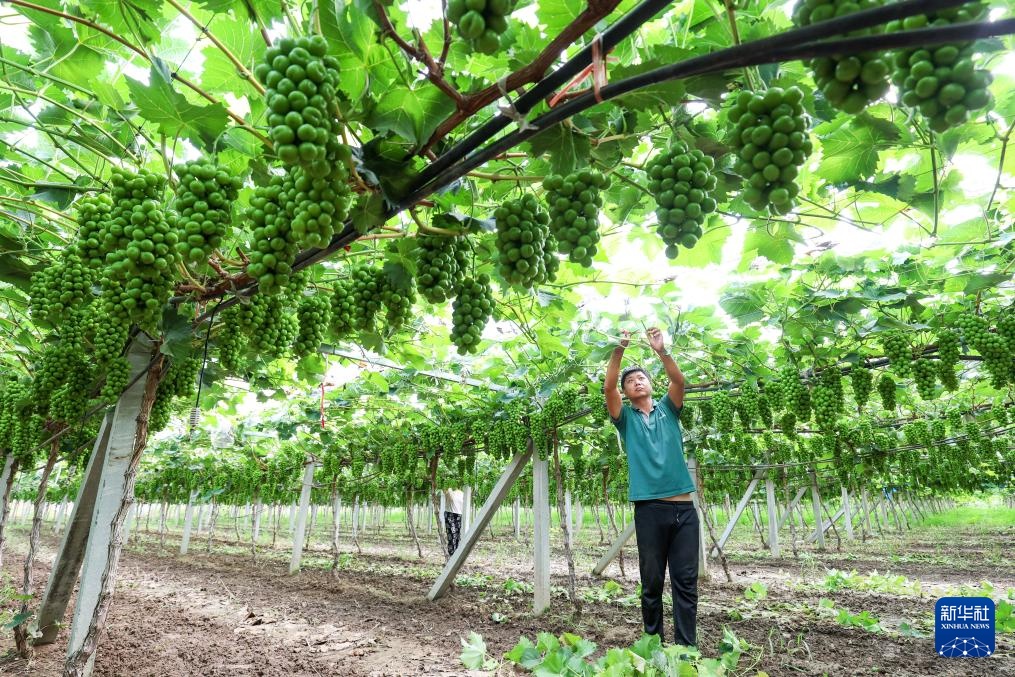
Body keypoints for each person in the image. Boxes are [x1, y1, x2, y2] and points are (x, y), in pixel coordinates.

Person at [604, 326, 699, 648]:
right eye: (630, 381)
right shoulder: (625, 420)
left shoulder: (669, 411)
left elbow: (679, 382)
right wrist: (619, 349)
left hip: (684, 509)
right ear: (626, 392)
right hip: (650, 509)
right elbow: (607, 389)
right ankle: (653, 644)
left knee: (686, 581)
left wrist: (662, 350)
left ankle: (687, 647)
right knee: (652, 582)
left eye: (641, 378)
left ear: (651, 384)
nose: (636, 381)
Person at [442, 487, 465, 556]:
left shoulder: (462, 493)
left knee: (457, 536)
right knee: (452, 535)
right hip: (450, 514)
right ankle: (451, 555)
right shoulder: (448, 490)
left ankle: (456, 556)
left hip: (459, 515)